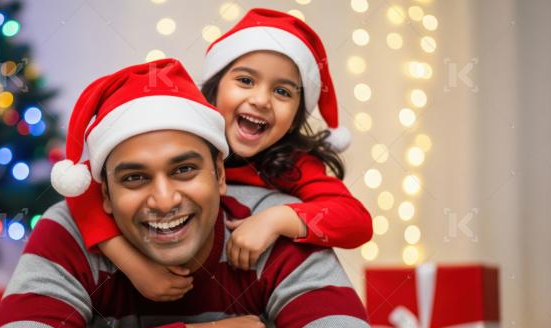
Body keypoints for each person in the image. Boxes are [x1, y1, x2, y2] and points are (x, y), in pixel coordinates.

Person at [0, 59, 382, 328]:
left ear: (220, 174)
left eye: (184, 170)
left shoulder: (273, 224)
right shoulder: (67, 230)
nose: (164, 199)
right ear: (104, 195)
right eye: (135, 177)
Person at [64, 8, 373, 303]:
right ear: (215, 88)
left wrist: (277, 219)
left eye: (283, 92)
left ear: (295, 116)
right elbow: (83, 187)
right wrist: (132, 263)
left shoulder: (294, 164)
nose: (261, 100)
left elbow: (356, 221)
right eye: (246, 81)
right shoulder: (183, 132)